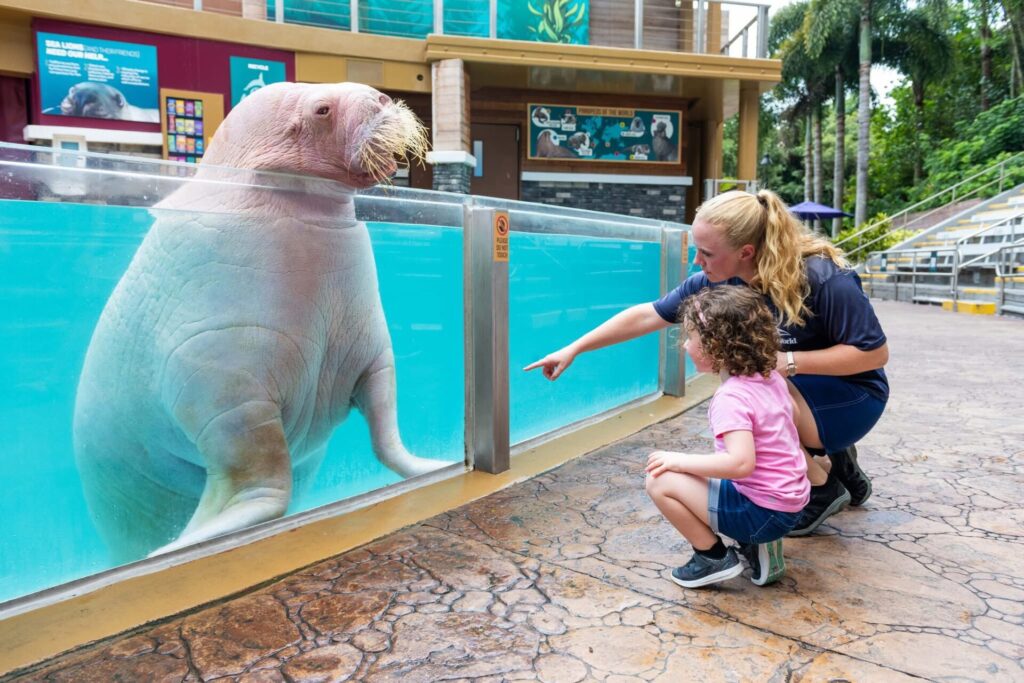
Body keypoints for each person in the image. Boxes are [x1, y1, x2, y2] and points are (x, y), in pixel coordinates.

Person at [525, 189, 889, 536]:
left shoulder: (823, 278)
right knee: (753, 382)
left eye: (706, 253)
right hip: (805, 392)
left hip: (854, 395)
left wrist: (787, 361)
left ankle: (824, 488)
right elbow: (648, 315)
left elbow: (874, 353)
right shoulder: (718, 281)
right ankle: (835, 459)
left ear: (746, 251)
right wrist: (574, 348)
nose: (697, 262)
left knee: (750, 387)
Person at [645, 285, 809, 587]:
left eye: (690, 337)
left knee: (660, 480)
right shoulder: (771, 376)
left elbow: (740, 464)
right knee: (715, 477)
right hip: (790, 503)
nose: (684, 346)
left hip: (763, 511)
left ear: (715, 346)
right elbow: (793, 421)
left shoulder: (731, 397)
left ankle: (712, 558)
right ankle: (756, 542)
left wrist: (679, 461)